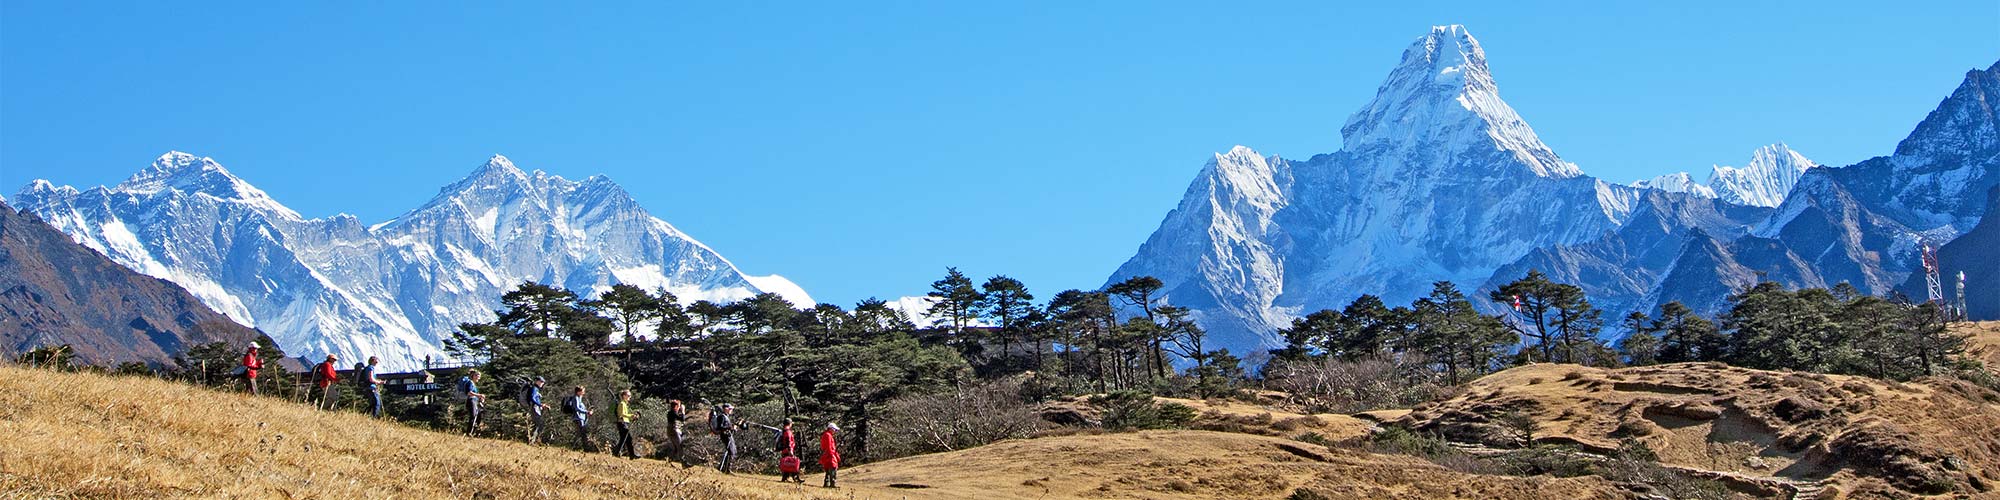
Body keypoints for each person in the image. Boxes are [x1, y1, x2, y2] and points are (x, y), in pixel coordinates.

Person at [710, 403, 745, 474]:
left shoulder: (725, 416)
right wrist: (731, 427)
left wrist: (734, 426)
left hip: (728, 435)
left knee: (733, 451)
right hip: (725, 436)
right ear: (726, 409)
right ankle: (726, 469)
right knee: (732, 451)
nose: (731, 410)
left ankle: (722, 468)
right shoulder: (722, 417)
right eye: (730, 409)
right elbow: (720, 427)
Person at [612, 389, 640, 459]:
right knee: (627, 438)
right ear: (624, 396)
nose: (629, 397)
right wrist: (631, 416)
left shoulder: (624, 404)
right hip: (622, 423)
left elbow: (625, 415)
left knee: (625, 439)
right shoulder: (622, 404)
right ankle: (620, 453)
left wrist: (632, 417)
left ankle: (629, 454)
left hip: (624, 422)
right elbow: (621, 414)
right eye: (628, 395)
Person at [458, 370, 486, 436]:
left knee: (478, 417)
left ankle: (473, 432)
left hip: (474, 401)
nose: (478, 378)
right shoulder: (469, 383)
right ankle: (469, 432)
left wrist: (480, 398)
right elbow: (469, 393)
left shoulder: (473, 384)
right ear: (473, 376)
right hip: (471, 401)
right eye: (477, 376)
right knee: (473, 416)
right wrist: (479, 395)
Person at [525, 377, 551, 444]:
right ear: (537, 381)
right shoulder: (534, 389)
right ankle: (532, 440)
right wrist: (540, 405)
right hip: (534, 408)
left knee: (538, 424)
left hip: (536, 407)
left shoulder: (536, 389)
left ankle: (533, 440)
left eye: (543, 382)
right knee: (539, 424)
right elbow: (533, 398)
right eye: (541, 382)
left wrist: (541, 405)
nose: (542, 383)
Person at [819, 422, 841, 488]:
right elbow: (829, 447)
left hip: (827, 455)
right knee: (833, 469)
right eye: (834, 429)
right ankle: (832, 484)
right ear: (831, 429)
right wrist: (833, 455)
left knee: (828, 470)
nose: (835, 431)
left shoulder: (826, 435)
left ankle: (827, 484)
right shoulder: (828, 435)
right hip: (830, 456)